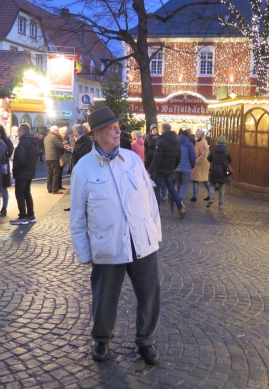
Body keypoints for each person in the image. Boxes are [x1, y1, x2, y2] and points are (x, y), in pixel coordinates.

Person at [70, 107, 162, 365]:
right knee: (104, 297)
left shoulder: (132, 159)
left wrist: (155, 234)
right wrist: (84, 252)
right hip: (107, 244)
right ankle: (101, 340)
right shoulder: (84, 169)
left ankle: (147, 341)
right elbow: (77, 216)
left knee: (150, 294)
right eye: (110, 127)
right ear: (96, 134)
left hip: (141, 240)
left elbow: (149, 198)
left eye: (117, 125)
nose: (117, 130)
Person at [148, 123, 185, 219]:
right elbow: (179, 158)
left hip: (159, 169)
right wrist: (173, 167)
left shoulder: (161, 142)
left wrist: (150, 171)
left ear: (162, 130)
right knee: (172, 189)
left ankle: (157, 211)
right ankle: (181, 207)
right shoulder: (177, 142)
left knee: (156, 189)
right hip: (170, 170)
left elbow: (156, 159)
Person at [10, 123, 39, 225]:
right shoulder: (33, 141)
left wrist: (15, 169)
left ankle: (23, 216)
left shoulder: (23, 143)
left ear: (22, 131)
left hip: (22, 172)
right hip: (30, 170)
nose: (18, 133)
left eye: (18, 131)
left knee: (20, 193)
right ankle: (31, 215)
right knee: (27, 193)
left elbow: (20, 159)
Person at [206, 135, 232, 209]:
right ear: (225, 141)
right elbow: (230, 160)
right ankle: (220, 203)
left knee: (212, 185)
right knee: (222, 186)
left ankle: (211, 198)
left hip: (214, 169)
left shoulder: (214, 149)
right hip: (223, 170)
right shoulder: (227, 150)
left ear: (218, 141)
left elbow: (209, 158)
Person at [0, 124, 14, 217]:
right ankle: (3, 208)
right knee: (3, 189)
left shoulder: (0, 142)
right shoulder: (7, 141)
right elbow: (10, 154)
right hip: (5, 167)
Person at [174, 129, 196, 201]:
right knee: (185, 185)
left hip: (176, 168)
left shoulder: (175, 143)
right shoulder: (190, 145)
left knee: (178, 184)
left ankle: (179, 201)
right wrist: (192, 166)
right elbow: (192, 157)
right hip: (186, 168)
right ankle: (180, 200)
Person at [190, 129, 210, 202]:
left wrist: (196, 161)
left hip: (201, 165)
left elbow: (204, 155)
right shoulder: (199, 142)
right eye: (196, 134)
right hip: (199, 164)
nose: (196, 135)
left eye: (197, 134)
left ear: (201, 135)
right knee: (197, 180)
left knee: (203, 180)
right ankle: (195, 196)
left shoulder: (203, 143)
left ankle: (210, 195)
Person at [44, 126, 65, 194]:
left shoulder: (46, 137)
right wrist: (64, 143)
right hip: (54, 157)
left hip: (48, 157)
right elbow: (60, 145)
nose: (58, 132)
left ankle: (49, 188)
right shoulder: (54, 137)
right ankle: (55, 189)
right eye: (57, 130)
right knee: (56, 173)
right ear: (54, 131)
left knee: (49, 173)